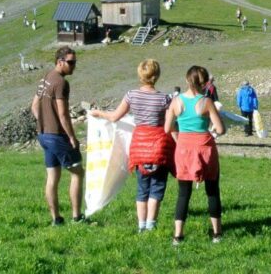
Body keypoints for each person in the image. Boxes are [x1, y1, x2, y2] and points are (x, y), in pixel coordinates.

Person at [90, 59, 174, 232]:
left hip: (138, 147)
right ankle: (151, 225)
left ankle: (141, 225)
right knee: (156, 186)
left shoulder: (131, 95)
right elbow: (170, 125)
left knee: (142, 187)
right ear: (156, 75)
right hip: (159, 147)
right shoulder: (164, 98)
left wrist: (98, 113)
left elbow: (114, 117)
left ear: (140, 75)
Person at [164, 66, 225, 245]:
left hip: (184, 148)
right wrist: (215, 127)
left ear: (186, 80)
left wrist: (178, 137)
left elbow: (167, 128)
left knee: (184, 193)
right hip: (205, 146)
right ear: (206, 83)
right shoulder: (206, 102)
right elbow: (220, 129)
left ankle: (178, 236)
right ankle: (217, 234)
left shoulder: (176, 102)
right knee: (212, 191)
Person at [31, 47, 84, 226]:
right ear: (60, 61)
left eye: (75, 62)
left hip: (43, 135)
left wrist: (43, 122)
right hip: (57, 136)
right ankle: (77, 217)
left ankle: (56, 219)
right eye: (70, 62)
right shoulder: (61, 82)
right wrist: (72, 137)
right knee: (78, 173)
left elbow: (34, 105)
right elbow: (63, 114)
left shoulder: (46, 77)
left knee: (53, 177)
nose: (73, 66)